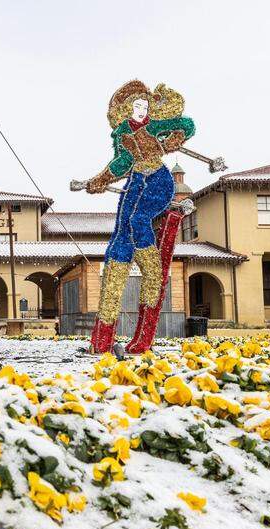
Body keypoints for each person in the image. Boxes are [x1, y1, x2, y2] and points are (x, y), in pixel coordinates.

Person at [81, 80, 195, 354]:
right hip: (134, 184)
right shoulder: (122, 134)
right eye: (136, 106)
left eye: (145, 105)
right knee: (119, 243)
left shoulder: (154, 126)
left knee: (136, 221)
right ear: (124, 111)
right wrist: (102, 178)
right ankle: (103, 337)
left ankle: (152, 272)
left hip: (157, 181)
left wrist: (176, 137)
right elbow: (121, 163)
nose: (142, 110)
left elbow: (187, 123)